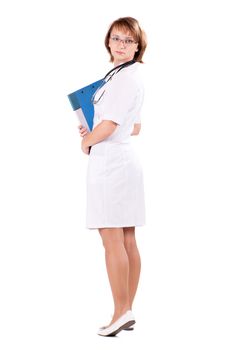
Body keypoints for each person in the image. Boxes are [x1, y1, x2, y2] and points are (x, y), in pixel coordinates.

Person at [78, 17, 147, 336]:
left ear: (138, 46)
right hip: (123, 160)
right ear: (108, 41)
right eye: (116, 38)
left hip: (111, 165)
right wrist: (96, 129)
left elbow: (111, 125)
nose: (120, 45)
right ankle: (126, 310)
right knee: (127, 238)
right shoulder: (123, 77)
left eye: (128, 41)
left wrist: (87, 139)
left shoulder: (123, 80)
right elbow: (133, 125)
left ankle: (120, 311)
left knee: (112, 239)